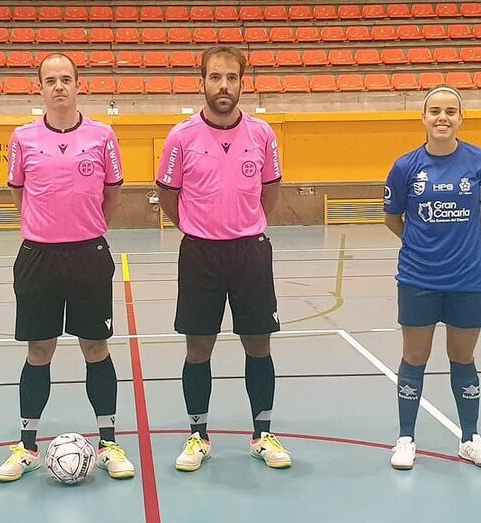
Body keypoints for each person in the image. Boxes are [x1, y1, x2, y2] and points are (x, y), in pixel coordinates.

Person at [0, 53, 135, 482]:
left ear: (78, 85)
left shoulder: (103, 136)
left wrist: (86, 228)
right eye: (50, 80)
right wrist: (45, 228)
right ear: (40, 88)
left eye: (66, 79)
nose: (59, 87)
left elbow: (112, 193)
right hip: (38, 257)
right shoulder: (23, 138)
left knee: (96, 348)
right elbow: (20, 195)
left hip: (88, 255)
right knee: (39, 351)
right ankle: (28, 445)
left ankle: (109, 441)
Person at [156, 46, 290, 472]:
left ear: (242, 83)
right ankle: (198, 435)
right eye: (216, 77)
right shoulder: (180, 138)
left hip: (250, 252)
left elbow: (270, 191)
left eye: (231, 78)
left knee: (258, 343)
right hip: (200, 254)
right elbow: (167, 195)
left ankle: (263, 433)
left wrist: (243, 225)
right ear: (202, 83)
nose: (224, 86)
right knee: (199, 346)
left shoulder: (264, 134)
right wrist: (201, 228)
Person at [384, 85, 481, 470]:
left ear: (461, 118)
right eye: (435, 111)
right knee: (414, 357)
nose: (442, 118)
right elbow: (393, 219)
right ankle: (405, 438)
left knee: (462, 357)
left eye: (451, 111)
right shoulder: (405, 167)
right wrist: (424, 245)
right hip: (418, 278)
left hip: (468, 279)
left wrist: (459, 244)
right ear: (423, 118)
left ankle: (469, 438)